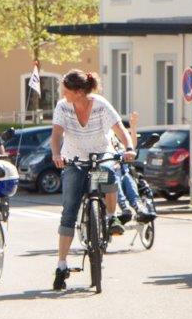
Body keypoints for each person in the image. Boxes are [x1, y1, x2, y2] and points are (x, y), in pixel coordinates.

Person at [49, 70, 136, 291]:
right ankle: (61, 265)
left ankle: (110, 217)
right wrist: (57, 154)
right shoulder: (63, 107)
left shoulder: (100, 105)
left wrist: (129, 148)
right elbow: (57, 134)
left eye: (66, 91)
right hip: (74, 160)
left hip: (100, 157)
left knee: (107, 174)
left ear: (79, 92)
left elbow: (120, 130)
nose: (63, 94)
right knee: (69, 209)